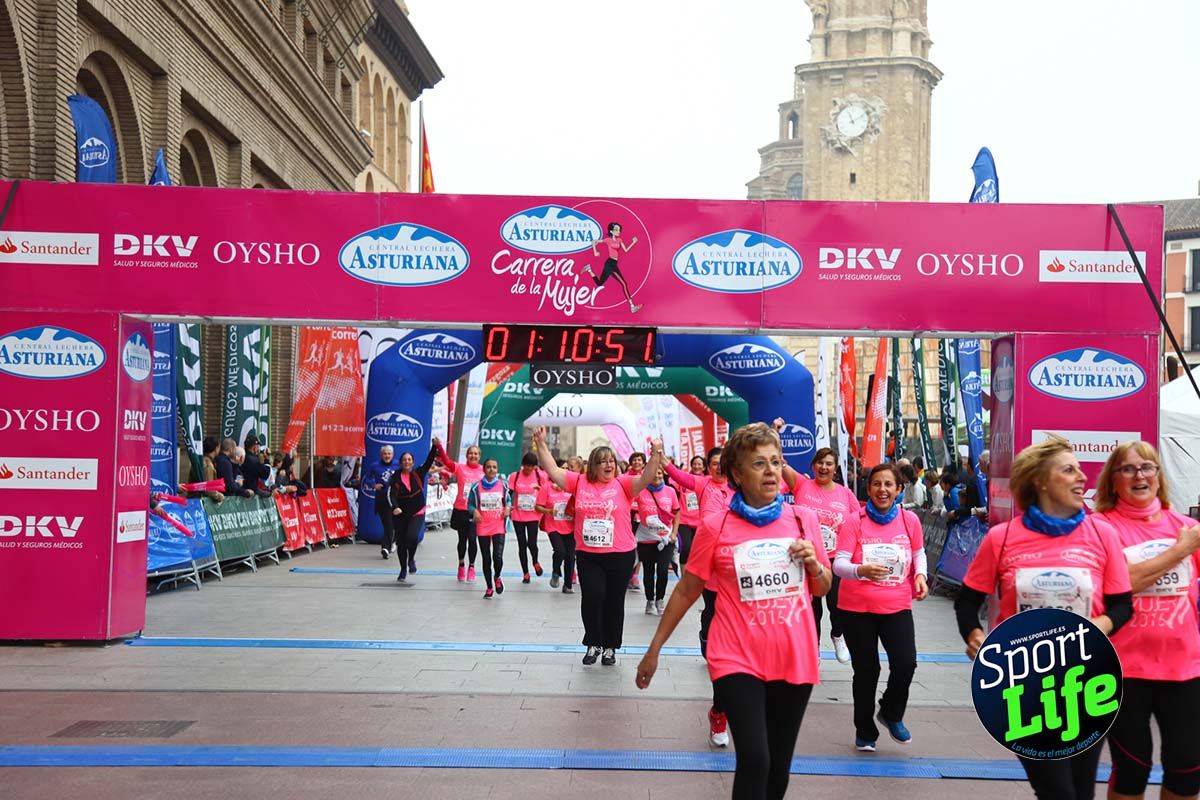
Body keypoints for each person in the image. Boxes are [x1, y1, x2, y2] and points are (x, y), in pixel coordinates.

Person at [637, 422, 832, 800]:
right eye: (759, 464)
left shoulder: (802, 519)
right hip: (735, 656)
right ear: (738, 474)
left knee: (778, 767)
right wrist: (654, 650)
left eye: (776, 462)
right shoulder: (716, 525)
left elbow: (823, 587)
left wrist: (815, 565)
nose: (772, 470)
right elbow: (687, 590)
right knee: (755, 759)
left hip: (794, 656)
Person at [954, 435, 1133, 800]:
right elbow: (966, 601)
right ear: (1040, 480)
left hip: (1088, 684)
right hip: (1022, 686)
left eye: (1080, 469)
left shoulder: (1103, 533)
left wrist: (1101, 625)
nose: (1082, 477)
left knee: (1081, 792)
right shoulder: (1002, 538)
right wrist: (973, 634)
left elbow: (1122, 604)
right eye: (1068, 470)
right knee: (1056, 792)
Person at [1094, 442, 1200, 800]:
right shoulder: (1101, 528)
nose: (1140, 475)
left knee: (1188, 770)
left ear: (1159, 475)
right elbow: (1120, 584)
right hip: (1123, 669)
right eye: (1128, 469)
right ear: (1112, 481)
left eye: (1148, 467)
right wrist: (1178, 551)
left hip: (1184, 668)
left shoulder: (1186, 527)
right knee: (1132, 770)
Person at [533, 427, 662, 667]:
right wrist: (540, 443)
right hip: (589, 554)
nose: (608, 465)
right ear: (593, 465)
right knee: (592, 597)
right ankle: (593, 642)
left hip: (620, 554)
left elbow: (646, 477)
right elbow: (552, 469)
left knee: (614, 601)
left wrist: (656, 453)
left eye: (611, 460)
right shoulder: (579, 481)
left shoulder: (623, 484)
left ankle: (611, 647)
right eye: (603, 461)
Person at [833, 462, 929, 751]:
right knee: (867, 670)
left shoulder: (909, 520)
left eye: (889, 484)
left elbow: (919, 553)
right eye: (877, 484)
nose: (882, 490)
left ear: (899, 489)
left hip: (897, 605)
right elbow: (839, 564)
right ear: (869, 488)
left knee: (905, 662)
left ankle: (890, 712)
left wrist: (921, 576)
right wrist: (860, 571)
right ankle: (865, 730)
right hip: (855, 608)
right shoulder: (854, 520)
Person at [665, 445, 735, 746]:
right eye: (714, 464)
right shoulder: (703, 483)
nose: (718, 468)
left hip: (745, 575)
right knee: (713, 613)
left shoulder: (741, 489)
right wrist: (661, 458)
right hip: (712, 563)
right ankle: (720, 710)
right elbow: (678, 476)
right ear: (708, 466)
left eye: (723, 464)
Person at [790, 447, 857, 665]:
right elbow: (779, 463)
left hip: (835, 558)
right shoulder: (801, 484)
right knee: (813, 607)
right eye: (820, 463)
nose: (824, 467)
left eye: (828, 463)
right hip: (807, 557)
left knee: (836, 603)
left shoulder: (845, 494)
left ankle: (838, 634)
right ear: (813, 466)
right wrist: (775, 432)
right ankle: (813, 650)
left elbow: (859, 521)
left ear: (835, 468)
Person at [386, 441, 439, 584]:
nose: (407, 462)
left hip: (417, 510)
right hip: (401, 513)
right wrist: (394, 507)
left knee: (412, 537)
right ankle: (403, 569)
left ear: (413, 462)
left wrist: (434, 447)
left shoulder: (418, 473)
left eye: (409, 460)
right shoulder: (395, 477)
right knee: (401, 543)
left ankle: (411, 559)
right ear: (401, 462)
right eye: (404, 460)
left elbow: (428, 462)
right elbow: (390, 495)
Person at [435, 440, 485, 582]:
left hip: (476, 511)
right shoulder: (460, 468)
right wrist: (439, 446)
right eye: (470, 453)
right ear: (467, 455)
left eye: (476, 454)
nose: (473, 456)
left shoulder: (483, 470)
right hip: (461, 509)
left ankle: (472, 567)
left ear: (479, 456)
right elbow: (446, 461)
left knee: (473, 539)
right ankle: (461, 565)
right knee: (462, 539)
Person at [635, 464, 680, 616]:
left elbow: (677, 512)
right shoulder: (640, 491)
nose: (657, 476)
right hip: (646, 537)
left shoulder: (670, 491)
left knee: (662, 570)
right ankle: (649, 600)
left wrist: (674, 533)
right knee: (648, 571)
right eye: (653, 474)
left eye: (660, 473)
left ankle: (659, 599)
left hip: (665, 537)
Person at [468, 457, 511, 599]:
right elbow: (470, 504)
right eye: (489, 467)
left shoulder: (503, 485)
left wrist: (507, 508)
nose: (491, 469)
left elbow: (508, 501)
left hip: (498, 525)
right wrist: (474, 511)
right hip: (483, 526)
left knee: (497, 557)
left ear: (497, 470)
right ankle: (489, 587)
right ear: (484, 469)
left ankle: (497, 576)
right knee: (486, 557)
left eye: (494, 467)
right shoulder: (476, 487)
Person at [536, 460, 576, 593]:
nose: (564, 471)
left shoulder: (572, 487)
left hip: (570, 525)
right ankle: (556, 571)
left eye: (567, 468)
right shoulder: (546, 487)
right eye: (561, 468)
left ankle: (568, 585)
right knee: (560, 551)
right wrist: (548, 511)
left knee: (570, 555)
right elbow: (537, 506)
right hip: (553, 525)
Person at [585, 221, 641, 313]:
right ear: (611, 231)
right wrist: (595, 252)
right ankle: (632, 306)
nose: (618, 231)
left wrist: (633, 242)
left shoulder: (619, 240)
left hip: (613, 263)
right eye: (616, 230)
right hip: (610, 264)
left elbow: (626, 250)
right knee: (624, 284)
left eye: (619, 230)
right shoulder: (608, 240)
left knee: (599, 283)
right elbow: (593, 241)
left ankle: (589, 269)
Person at [508, 452, 545, 583]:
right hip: (518, 515)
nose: (529, 469)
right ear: (523, 465)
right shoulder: (515, 476)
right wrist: (507, 506)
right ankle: (525, 573)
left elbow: (546, 492)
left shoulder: (540, 476)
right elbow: (509, 494)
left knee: (532, 543)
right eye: (527, 466)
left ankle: (535, 561)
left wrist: (540, 489)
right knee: (522, 545)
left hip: (533, 515)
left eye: (532, 466)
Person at [674, 455, 708, 567]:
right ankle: (685, 581)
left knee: (699, 553)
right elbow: (671, 479)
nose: (697, 466)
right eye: (694, 464)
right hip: (684, 521)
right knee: (685, 549)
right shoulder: (684, 479)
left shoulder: (708, 482)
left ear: (704, 467)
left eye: (699, 464)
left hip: (702, 522)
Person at [199, 435, 225, 502]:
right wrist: (219, 496)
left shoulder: (201, 461)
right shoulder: (208, 465)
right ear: (216, 448)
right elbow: (208, 487)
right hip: (202, 502)